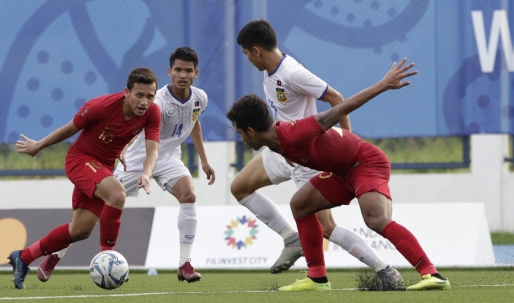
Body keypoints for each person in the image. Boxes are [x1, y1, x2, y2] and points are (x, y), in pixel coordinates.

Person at [226, 59, 451, 291]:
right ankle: (317, 279)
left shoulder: (295, 133)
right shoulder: (274, 141)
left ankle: (431, 274)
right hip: (341, 171)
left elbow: (341, 107)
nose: (241, 138)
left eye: (241, 132)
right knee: (300, 204)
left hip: (365, 163)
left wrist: (383, 84)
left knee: (375, 219)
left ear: (251, 131)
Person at [235, 19, 401, 287]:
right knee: (240, 187)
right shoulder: (269, 72)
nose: (247, 59)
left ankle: (383, 269)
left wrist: (348, 143)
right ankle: (291, 239)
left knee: (326, 227)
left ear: (256, 50)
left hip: (307, 158)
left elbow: (336, 99)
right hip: (281, 150)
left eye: (245, 54)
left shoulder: (292, 73)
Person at [35, 47, 214, 284]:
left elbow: (194, 121)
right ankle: (56, 253)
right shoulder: (155, 99)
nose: (183, 75)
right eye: (178, 70)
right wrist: (122, 150)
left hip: (169, 158)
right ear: (169, 71)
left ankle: (185, 264)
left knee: (189, 195)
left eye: (188, 71)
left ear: (196, 73)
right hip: (139, 159)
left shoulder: (200, 97)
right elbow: (133, 125)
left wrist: (203, 158)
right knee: (93, 215)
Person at [10, 67, 162, 290]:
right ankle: (107, 260)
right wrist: (39, 145)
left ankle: (22, 257)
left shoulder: (153, 112)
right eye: (139, 95)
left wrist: (147, 173)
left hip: (103, 168)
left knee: (80, 230)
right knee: (117, 194)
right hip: (80, 160)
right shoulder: (100, 106)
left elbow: (153, 151)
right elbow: (70, 129)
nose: (144, 102)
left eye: (150, 96)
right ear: (126, 92)